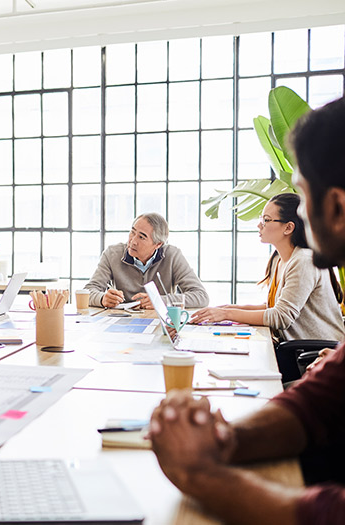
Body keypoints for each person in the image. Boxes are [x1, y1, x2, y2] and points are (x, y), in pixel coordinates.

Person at [149, 96, 345, 524]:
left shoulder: (306, 259)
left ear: (335, 207)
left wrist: (199, 473)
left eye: (304, 192)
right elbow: (319, 402)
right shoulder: (284, 259)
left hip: (301, 346)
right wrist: (225, 438)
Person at [191, 193, 344, 343]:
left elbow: (280, 317)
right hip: (295, 350)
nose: (259, 225)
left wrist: (227, 314)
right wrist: (230, 308)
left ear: (288, 228)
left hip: (317, 354)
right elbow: (273, 307)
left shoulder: (304, 261)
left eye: (266, 220)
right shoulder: (278, 259)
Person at [83, 213, 209, 309]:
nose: (132, 241)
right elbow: (88, 291)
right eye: (132, 232)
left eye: (142, 237)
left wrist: (160, 301)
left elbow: (201, 296)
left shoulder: (172, 255)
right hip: (122, 323)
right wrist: (102, 299)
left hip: (159, 325)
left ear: (158, 244)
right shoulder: (112, 254)